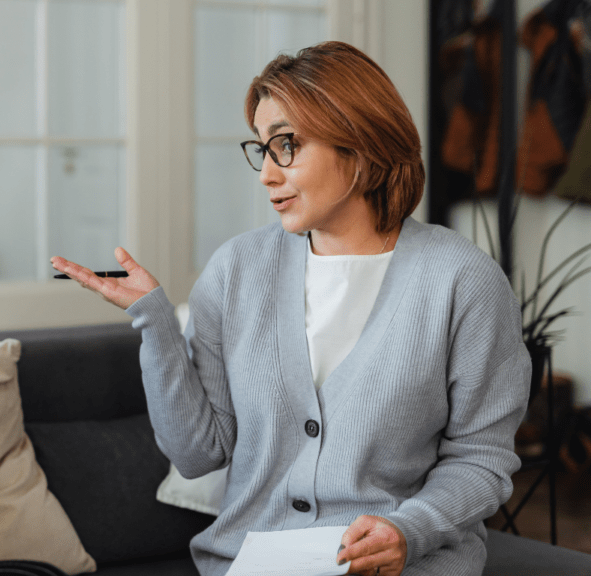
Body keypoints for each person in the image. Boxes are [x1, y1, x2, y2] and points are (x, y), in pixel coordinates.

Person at [52, 41, 530, 576]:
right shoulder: (236, 271)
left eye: (287, 145)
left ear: (360, 141)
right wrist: (153, 319)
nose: (267, 174)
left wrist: (408, 529)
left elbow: (481, 459)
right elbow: (197, 453)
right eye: (262, 149)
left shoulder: (462, 281)